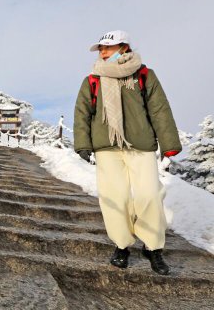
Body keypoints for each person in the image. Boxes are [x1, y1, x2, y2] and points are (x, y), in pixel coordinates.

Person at [73, 30, 182, 275]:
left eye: (107, 47)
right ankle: (122, 245)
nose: (102, 52)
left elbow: (159, 109)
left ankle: (153, 248)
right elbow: (82, 113)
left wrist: (169, 143)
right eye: (100, 48)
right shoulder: (93, 79)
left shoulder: (144, 74)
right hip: (107, 147)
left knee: (149, 196)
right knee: (115, 198)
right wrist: (83, 143)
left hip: (140, 145)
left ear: (123, 47)